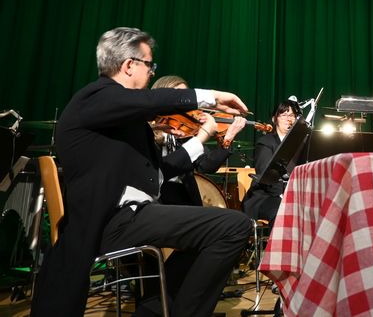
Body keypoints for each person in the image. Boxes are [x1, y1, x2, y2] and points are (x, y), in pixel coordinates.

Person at [31, 27, 253, 317]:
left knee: (218, 230)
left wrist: (199, 140)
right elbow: (147, 102)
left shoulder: (121, 120)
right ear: (128, 65)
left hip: (133, 216)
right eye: (150, 65)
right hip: (111, 221)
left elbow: (159, 173)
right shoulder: (94, 97)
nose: (151, 72)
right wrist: (209, 97)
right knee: (234, 226)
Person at [151, 74, 246, 207]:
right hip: (156, 195)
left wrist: (227, 139)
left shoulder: (186, 132)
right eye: (179, 97)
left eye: (186, 98)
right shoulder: (147, 131)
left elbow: (206, 166)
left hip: (184, 196)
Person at [241, 98, 300, 224]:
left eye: (292, 115)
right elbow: (266, 176)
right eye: (284, 115)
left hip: (292, 196)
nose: (288, 119)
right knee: (284, 211)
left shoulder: (300, 144)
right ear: (274, 119)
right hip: (264, 197)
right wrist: (285, 196)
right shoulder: (266, 142)